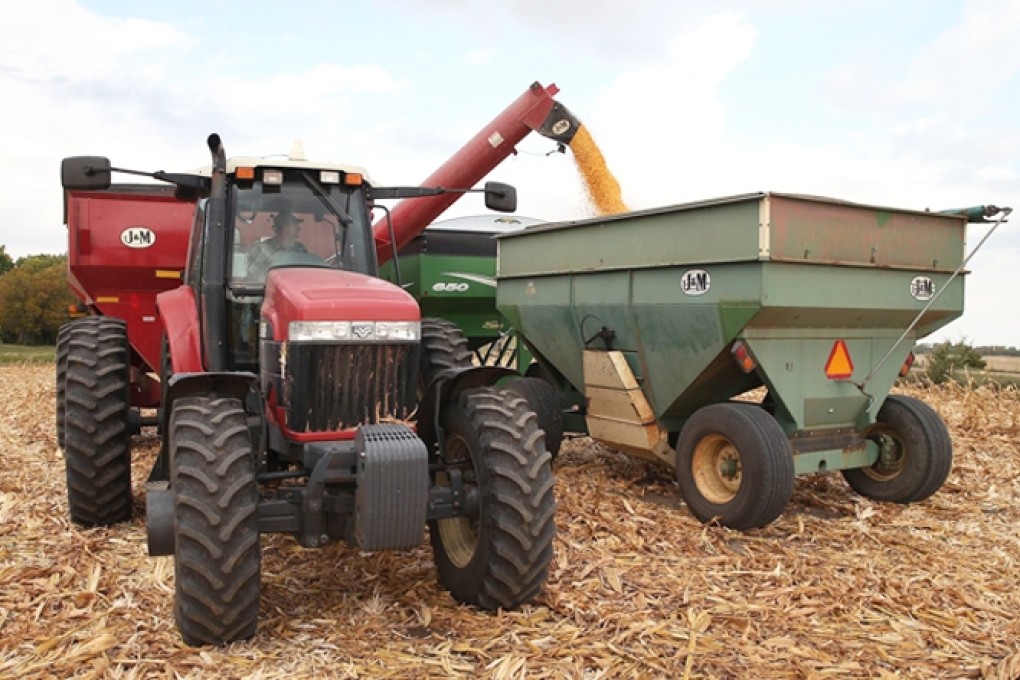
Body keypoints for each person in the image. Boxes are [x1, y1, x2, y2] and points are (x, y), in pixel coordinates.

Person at [246, 210, 308, 281]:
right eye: (294, 224)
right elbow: (253, 277)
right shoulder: (261, 249)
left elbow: (306, 274)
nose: (299, 228)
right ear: (285, 227)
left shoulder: (300, 249)